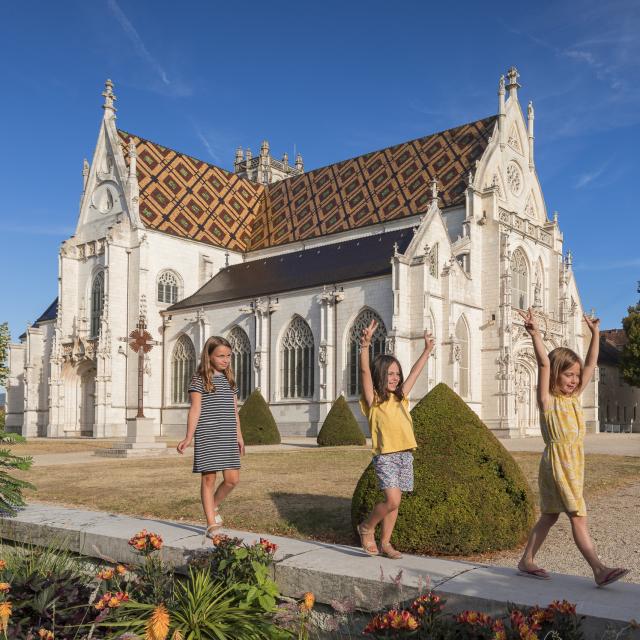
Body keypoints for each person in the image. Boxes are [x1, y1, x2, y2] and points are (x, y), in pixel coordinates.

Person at [516, 308, 629, 587]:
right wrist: (535, 335)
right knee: (578, 515)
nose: (574, 380)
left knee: (550, 515)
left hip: (572, 463)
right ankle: (598, 568)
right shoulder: (548, 401)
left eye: (576, 376)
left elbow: (591, 365)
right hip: (558, 464)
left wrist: (594, 335)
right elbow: (543, 364)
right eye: (568, 375)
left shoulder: (574, 398)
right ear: (556, 375)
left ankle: (526, 559)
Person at [356, 319, 435, 559]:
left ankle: (386, 543)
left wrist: (427, 350)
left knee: (396, 503)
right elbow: (364, 371)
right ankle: (366, 527)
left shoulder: (401, 397)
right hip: (386, 456)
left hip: (405, 455)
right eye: (390, 374)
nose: (395, 377)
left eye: (397, 374)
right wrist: (365, 345)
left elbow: (415, 372)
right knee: (391, 500)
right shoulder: (374, 401)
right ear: (381, 375)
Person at [177, 336, 245, 541]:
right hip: (208, 434)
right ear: (209, 356)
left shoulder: (230, 380)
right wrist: (188, 437)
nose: (226, 360)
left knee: (232, 480)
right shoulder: (199, 380)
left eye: (229, 356)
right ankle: (211, 524)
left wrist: (239, 436)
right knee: (209, 478)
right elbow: (195, 409)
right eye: (221, 356)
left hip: (227, 434)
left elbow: (235, 411)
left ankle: (213, 504)